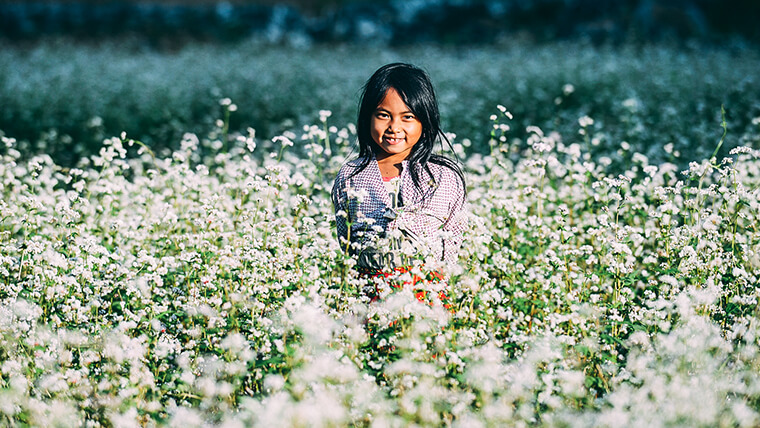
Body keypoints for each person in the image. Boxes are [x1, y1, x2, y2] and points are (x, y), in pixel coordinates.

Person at [331, 63, 467, 304]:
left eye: (408, 118)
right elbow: (347, 243)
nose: (394, 128)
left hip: (427, 300)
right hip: (370, 300)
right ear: (367, 117)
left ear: (425, 121)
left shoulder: (444, 177)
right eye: (383, 115)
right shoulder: (351, 176)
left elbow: (453, 244)